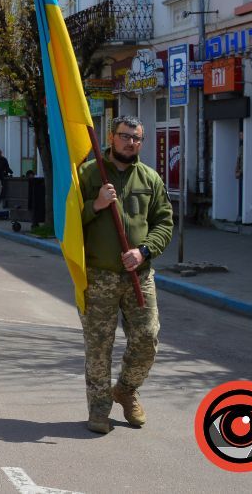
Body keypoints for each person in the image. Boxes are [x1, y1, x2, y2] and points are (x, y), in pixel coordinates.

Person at [77, 115, 173, 434]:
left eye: (136, 138)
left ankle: (126, 390)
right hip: (99, 275)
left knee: (147, 338)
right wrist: (96, 204)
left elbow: (164, 222)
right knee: (99, 346)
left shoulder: (150, 178)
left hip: (139, 276)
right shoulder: (89, 174)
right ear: (111, 137)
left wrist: (144, 251)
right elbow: (67, 221)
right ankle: (99, 409)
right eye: (125, 136)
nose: (131, 142)